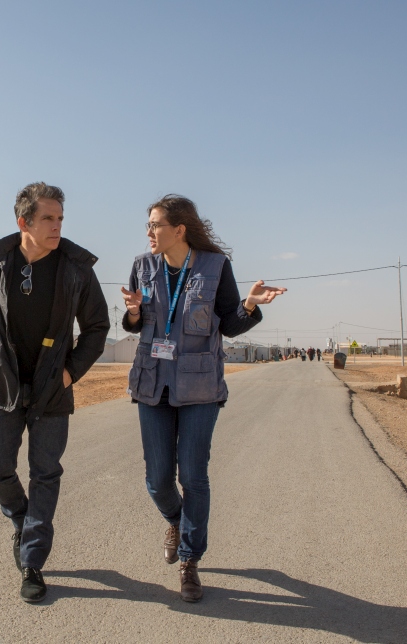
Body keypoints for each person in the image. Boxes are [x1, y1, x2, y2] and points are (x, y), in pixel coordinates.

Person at [120, 195, 286, 603]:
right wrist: (135, 314)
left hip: (199, 387)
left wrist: (249, 304)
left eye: (156, 225)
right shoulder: (143, 266)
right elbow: (131, 321)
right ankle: (176, 521)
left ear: (179, 229)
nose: (149, 232)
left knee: (193, 475)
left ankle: (190, 561)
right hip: (152, 383)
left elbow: (228, 325)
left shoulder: (215, 267)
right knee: (158, 479)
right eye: (148, 225)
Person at [0, 182, 110, 603]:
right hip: (4, 386)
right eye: (48, 218)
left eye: (60, 218)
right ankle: (23, 520)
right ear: (23, 221)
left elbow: (98, 327)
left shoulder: (77, 268)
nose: (57, 226)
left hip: (52, 391)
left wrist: (70, 373)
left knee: (45, 474)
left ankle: (32, 561)